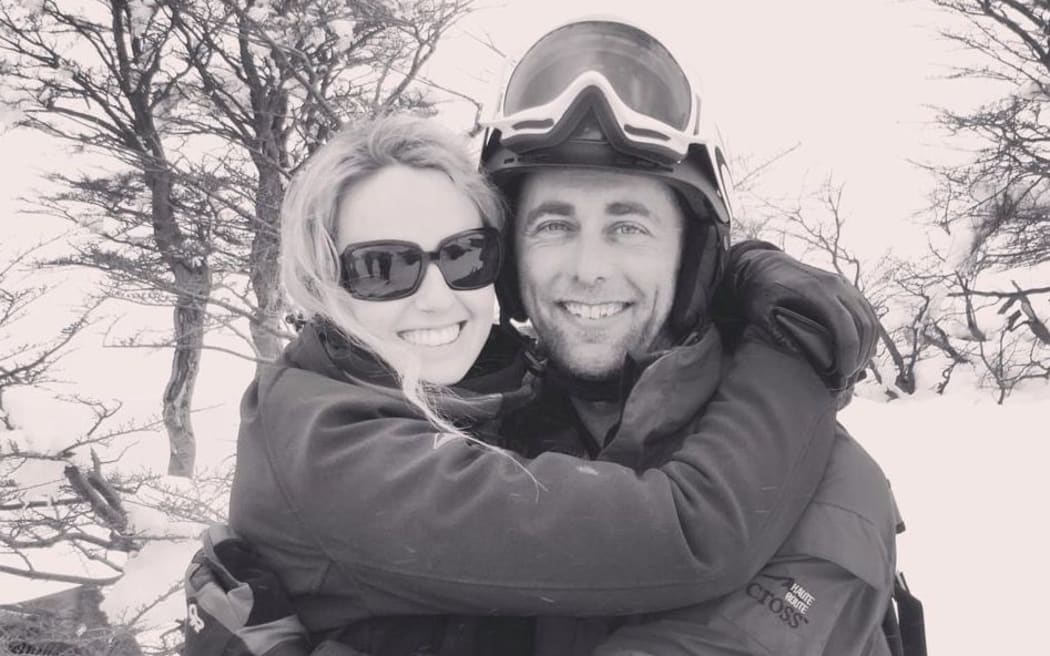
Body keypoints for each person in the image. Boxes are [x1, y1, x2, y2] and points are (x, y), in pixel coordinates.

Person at [184, 19, 900, 656]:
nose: (589, 270)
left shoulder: (810, 472)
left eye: (629, 226)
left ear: (692, 260)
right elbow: (693, 531)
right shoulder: (367, 438)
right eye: (381, 268)